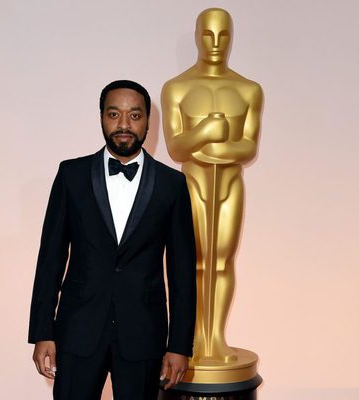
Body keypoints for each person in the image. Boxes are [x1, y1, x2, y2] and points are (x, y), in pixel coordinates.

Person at [28, 80, 197, 400]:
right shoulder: (71, 175)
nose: (123, 125)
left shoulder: (172, 184)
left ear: (149, 121)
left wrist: (178, 345)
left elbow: (182, 271)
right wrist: (42, 332)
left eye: (134, 116)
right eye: (114, 114)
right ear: (101, 118)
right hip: (78, 329)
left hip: (144, 333)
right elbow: (50, 258)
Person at [161, 8, 263, 365]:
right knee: (192, 261)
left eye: (223, 35)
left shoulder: (249, 89)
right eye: (208, 34)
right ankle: (190, 337)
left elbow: (249, 145)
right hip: (192, 182)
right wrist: (205, 132)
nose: (216, 43)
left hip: (230, 183)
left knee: (222, 261)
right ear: (196, 36)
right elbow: (176, 146)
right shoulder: (177, 88)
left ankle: (215, 336)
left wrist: (214, 146)